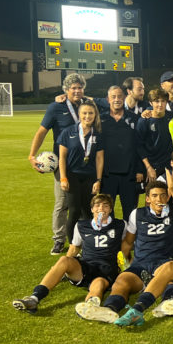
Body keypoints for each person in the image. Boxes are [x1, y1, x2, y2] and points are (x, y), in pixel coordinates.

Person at [74, 181, 173, 323]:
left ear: (168, 198)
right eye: (154, 196)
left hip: (163, 263)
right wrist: (123, 262)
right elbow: (128, 242)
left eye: (163, 195)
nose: (159, 199)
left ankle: (167, 303)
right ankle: (109, 309)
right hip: (140, 264)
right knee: (122, 282)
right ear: (147, 199)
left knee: (170, 280)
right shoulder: (137, 214)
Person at [13, 194, 125, 314]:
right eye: (97, 205)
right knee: (63, 260)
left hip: (106, 270)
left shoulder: (120, 225)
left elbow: (127, 246)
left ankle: (89, 308)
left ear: (111, 209)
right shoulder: (82, 225)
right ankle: (34, 299)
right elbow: (74, 248)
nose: (101, 209)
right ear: (92, 209)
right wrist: (60, 269)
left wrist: (129, 268)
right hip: (85, 267)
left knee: (98, 284)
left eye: (105, 206)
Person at [28, 73, 86, 254]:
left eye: (79, 87)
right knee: (62, 203)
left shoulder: (88, 106)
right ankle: (59, 239)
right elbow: (41, 132)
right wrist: (32, 156)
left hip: (86, 164)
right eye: (73, 88)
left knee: (84, 203)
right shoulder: (55, 107)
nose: (76, 91)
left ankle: (82, 237)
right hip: (64, 164)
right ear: (66, 90)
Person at [57, 100, 104, 243]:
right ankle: (72, 244)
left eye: (91, 113)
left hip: (89, 177)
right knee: (74, 211)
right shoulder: (68, 132)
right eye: (84, 113)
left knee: (88, 212)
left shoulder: (97, 134)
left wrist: (98, 180)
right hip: (72, 177)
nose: (87, 116)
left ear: (95, 115)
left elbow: (99, 159)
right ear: (79, 114)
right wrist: (63, 177)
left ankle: (88, 243)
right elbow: (62, 157)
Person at [100, 85, 142, 220]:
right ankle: (111, 239)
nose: (116, 99)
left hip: (129, 174)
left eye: (119, 96)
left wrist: (140, 169)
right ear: (108, 99)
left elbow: (140, 145)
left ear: (124, 98)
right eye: (113, 97)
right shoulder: (100, 119)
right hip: (107, 174)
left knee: (130, 212)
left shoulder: (135, 118)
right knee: (106, 210)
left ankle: (129, 241)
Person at [136, 88, 173, 183]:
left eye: (163, 101)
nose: (160, 104)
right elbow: (138, 146)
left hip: (170, 165)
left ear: (167, 102)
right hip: (152, 166)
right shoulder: (144, 121)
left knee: (171, 195)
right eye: (156, 101)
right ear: (151, 103)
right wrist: (148, 167)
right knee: (153, 195)